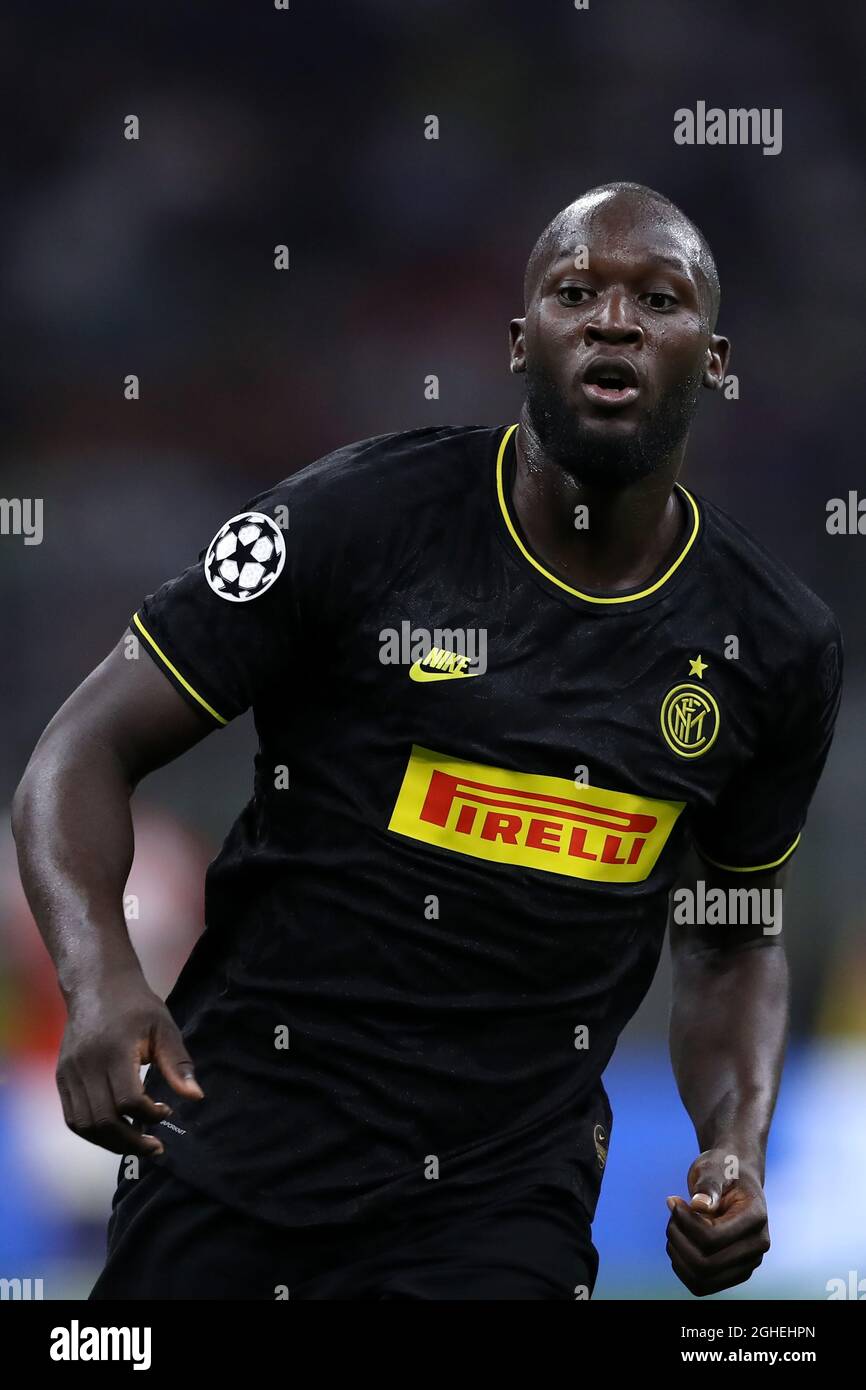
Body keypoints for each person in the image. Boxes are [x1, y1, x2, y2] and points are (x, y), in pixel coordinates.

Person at [13, 182, 843, 1300]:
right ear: (519, 341)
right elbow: (78, 753)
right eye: (572, 292)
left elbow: (731, 937)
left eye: (657, 298)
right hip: (232, 1149)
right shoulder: (354, 524)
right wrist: (103, 979)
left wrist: (731, 1145)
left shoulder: (774, 643)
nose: (612, 320)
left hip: (501, 1202)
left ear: (715, 356)